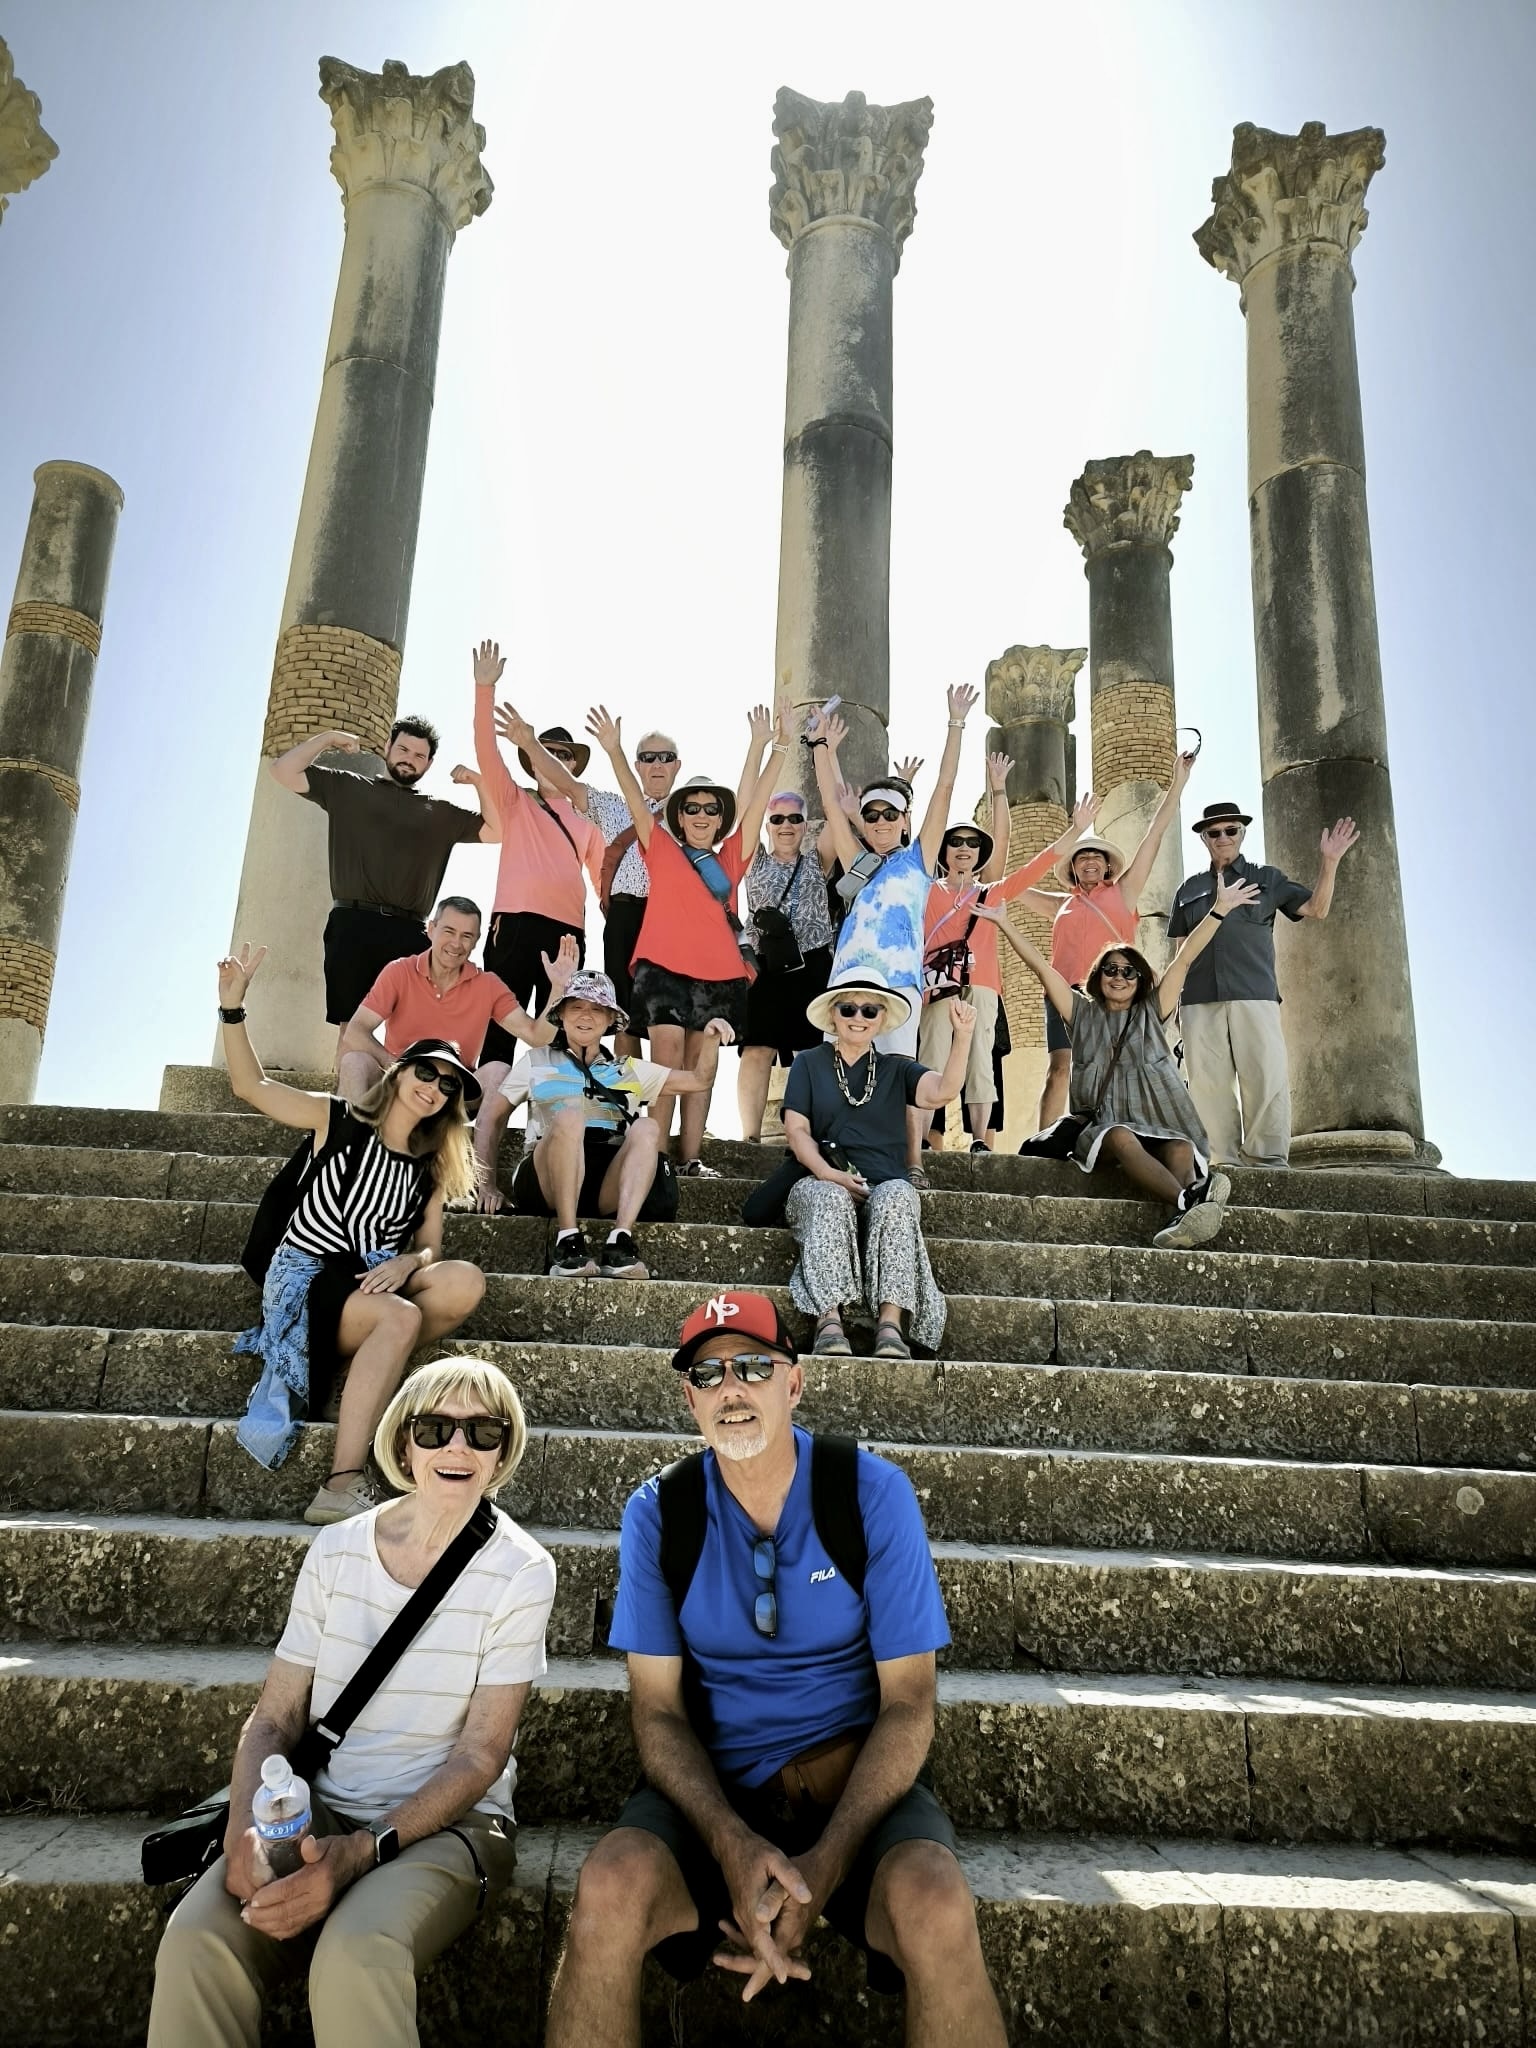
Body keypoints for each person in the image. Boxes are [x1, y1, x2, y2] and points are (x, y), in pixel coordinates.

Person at [543, 1292, 1006, 2048]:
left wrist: (824, 1864)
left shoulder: (870, 1493)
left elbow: (910, 1702)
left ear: (793, 1383)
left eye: (753, 1367)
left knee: (936, 1899)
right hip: (715, 1792)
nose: (731, 1389)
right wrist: (729, 1841)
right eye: (707, 1375)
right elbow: (656, 1711)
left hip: (855, 1788)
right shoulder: (660, 1512)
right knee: (609, 1885)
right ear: (689, 1400)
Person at [147, 1356, 556, 2048]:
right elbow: (275, 1718)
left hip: (447, 1827)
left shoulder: (522, 1570)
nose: (458, 1447)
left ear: (502, 1451)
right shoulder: (336, 1551)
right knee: (197, 1939)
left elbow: (482, 1755)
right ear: (404, 1443)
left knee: (355, 1955)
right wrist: (242, 1832)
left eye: (484, 1432)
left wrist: (362, 1851)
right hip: (321, 1806)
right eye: (435, 1429)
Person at [219, 943, 487, 1527]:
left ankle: (366, 1358)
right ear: (400, 1071)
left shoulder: (429, 1165)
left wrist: (409, 1262)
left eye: (447, 1085)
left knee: (465, 1281)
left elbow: (430, 1248)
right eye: (426, 1071)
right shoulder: (337, 1119)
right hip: (309, 1277)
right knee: (401, 1318)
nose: (434, 1087)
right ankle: (341, 1482)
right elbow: (251, 1086)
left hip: (371, 1280)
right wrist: (232, 1009)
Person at [978, 870, 1262, 1247]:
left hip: (1156, 1124)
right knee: (1119, 1134)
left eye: (1129, 972)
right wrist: (1004, 923)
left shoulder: (1151, 1013)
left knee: (1179, 1147)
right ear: (1098, 976)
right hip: (1104, 1133)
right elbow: (1042, 969)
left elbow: (1184, 958)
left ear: (1140, 979)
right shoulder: (1082, 1013)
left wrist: (1219, 910)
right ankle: (1190, 1200)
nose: (1119, 977)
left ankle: (1182, 1221)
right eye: (1110, 969)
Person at [803, 685, 979, 1183]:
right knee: (837, 1069)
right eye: (872, 814)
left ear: (904, 821)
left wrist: (955, 723)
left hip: (900, 981)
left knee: (901, 1070)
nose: (880, 822)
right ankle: (830, 1159)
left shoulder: (919, 861)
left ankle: (912, 1162)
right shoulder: (856, 859)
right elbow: (831, 802)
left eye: (890, 814)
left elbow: (944, 788)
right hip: (847, 981)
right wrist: (821, 747)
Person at [268, 717, 498, 1067]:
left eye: (419, 755)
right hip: (353, 923)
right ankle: (349, 1100)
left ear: (429, 764)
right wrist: (328, 738)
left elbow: (498, 830)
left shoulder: (441, 813)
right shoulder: (346, 787)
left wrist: (479, 783)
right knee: (352, 1030)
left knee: (417, 1031)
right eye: (403, 749)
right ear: (388, 748)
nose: (409, 759)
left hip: (411, 932)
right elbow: (282, 771)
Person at [584, 705, 752, 1178]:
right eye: (692, 807)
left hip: (719, 978)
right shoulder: (659, 847)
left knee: (703, 1069)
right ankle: (655, 1161)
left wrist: (767, 745)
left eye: (711, 808)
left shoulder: (729, 859)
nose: (701, 814)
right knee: (666, 1064)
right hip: (663, 974)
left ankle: (691, 1158)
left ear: (720, 818)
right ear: (678, 815)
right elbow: (635, 802)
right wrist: (614, 750)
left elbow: (754, 805)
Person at [478, 971, 735, 1279]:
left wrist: (710, 1041)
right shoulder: (535, 1061)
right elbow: (492, 1118)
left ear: (610, 1019)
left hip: (605, 1181)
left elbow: (699, 1080)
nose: (586, 1016)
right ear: (561, 1015)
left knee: (648, 1127)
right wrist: (486, 1184)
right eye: (576, 1007)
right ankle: (567, 1240)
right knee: (571, 1117)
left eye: (597, 1009)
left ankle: (620, 1242)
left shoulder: (627, 1069)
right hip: (546, 1179)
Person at [778, 971, 972, 1359]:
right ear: (833, 1014)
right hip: (819, 1179)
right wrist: (828, 1173)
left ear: (882, 1019)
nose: (859, 1017)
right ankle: (829, 1321)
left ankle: (890, 1325)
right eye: (848, 1008)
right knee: (829, 1197)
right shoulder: (809, 1064)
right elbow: (796, 1132)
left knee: (899, 1194)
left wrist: (962, 1036)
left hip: (882, 1185)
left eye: (870, 1010)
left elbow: (943, 1091)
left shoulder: (897, 1069)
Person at [1168, 801, 1360, 1169]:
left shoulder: (1268, 878)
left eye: (1231, 830)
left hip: (1254, 995)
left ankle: (1267, 1163)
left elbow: (1317, 909)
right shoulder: (1188, 889)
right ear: (1204, 838)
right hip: (1197, 999)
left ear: (1242, 833)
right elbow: (1180, 950)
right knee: (1206, 1086)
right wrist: (1175, 1000)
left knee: (1265, 1078)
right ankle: (1221, 1163)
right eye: (1214, 832)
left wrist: (1330, 862)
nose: (1223, 837)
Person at [1014, 750, 1197, 1130]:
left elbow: (1154, 834)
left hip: (1113, 992)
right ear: (1073, 866)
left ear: (1108, 864)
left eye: (1096, 856)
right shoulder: (1061, 903)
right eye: (1082, 857)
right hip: (1065, 994)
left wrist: (1179, 782)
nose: (1090, 861)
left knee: (1116, 1069)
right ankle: (1042, 1148)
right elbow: (1010, 887)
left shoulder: (1124, 892)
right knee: (1059, 1069)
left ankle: (1115, 1135)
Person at [921, 773, 1099, 1155]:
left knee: (980, 1063)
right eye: (956, 842)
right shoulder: (926, 891)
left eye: (972, 843)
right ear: (944, 851)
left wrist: (1075, 830)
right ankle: (921, 1140)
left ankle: (979, 1141)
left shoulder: (991, 892)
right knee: (930, 1058)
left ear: (979, 853)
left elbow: (1037, 864)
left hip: (983, 984)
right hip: (937, 984)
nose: (964, 848)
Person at [339, 895, 576, 1161]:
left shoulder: (488, 985)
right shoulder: (399, 971)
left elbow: (536, 1036)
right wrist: (394, 1064)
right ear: (431, 929)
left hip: (455, 1092)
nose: (456, 943)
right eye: (449, 931)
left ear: (476, 941)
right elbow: (355, 1031)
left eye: (466, 936)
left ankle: (481, 1178)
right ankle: (350, 1161)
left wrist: (558, 989)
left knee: (498, 1070)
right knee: (353, 1061)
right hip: (398, 1082)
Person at [510, 705, 685, 1059]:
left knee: (668, 1021)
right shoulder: (614, 807)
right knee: (623, 1019)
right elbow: (568, 785)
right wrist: (530, 743)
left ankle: (665, 1097)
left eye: (665, 757)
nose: (657, 764)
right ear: (637, 766)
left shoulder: (691, 812)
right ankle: (629, 1095)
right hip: (623, 918)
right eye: (648, 757)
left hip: (669, 920)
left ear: (676, 765)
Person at [469, 639, 605, 1060]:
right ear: (532, 759)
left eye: (563, 755)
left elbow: (605, 884)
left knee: (560, 1034)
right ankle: (489, 1101)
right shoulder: (515, 800)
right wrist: (484, 689)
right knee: (499, 1028)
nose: (555, 759)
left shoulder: (591, 814)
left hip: (567, 933)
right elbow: (486, 751)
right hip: (513, 924)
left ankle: (551, 1103)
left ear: (574, 765)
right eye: (546, 752)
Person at [730, 708, 839, 1143]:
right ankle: (750, 1137)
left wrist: (823, 749)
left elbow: (836, 808)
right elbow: (745, 808)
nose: (787, 825)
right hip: (766, 966)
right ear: (769, 825)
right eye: (778, 819)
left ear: (804, 823)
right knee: (757, 1050)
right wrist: (760, 745)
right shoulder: (755, 860)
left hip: (811, 964)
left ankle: (808, 1136)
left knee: (813, 1054)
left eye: (795, 818)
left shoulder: (817, 858)